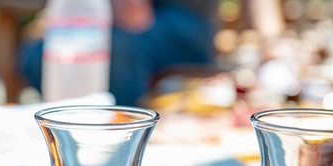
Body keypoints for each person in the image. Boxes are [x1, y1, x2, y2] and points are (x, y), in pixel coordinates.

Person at [18, 0, 217, 106]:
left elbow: (137, 16)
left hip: (184, 19)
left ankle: (127, 139)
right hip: (110, 17)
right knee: (39, 54)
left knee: (117, 52)